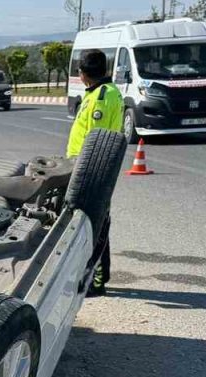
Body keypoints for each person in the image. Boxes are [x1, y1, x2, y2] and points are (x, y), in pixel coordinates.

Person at [67, 48, 124, 296]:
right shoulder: (101, 92)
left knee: (96, 225)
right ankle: (97, 274)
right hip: (87, 168)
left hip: (92, 171)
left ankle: (97, 279)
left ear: (83, 73)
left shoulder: (102, 96)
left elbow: (96, 142)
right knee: (93, 223)